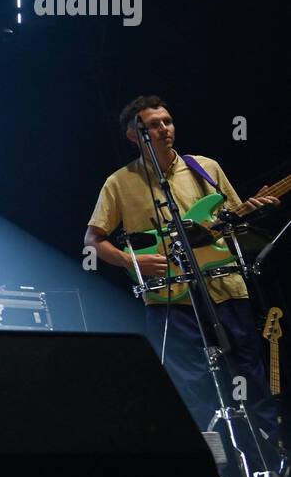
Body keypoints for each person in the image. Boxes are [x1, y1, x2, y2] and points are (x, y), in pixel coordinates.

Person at [84, 95, 281, 445]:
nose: (163, 129)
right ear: (133, 135)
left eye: (167, 121)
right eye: (153, 125)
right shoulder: (119, 183)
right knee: (191, 388)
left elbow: (233, 223)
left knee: (251, 378)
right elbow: (92, 240)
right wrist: (133, 261)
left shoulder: (205, 167)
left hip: (224, 287)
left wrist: (253, 210)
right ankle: (216, 472)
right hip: (169, 297)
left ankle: (274, 464)